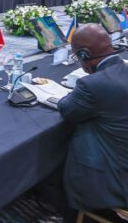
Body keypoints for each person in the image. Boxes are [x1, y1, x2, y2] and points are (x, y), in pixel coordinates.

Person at [56, 24, 128, 219]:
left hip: (117, 183)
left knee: (52, 170)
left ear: (84, 55)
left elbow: (67, 109)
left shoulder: (92, 85)